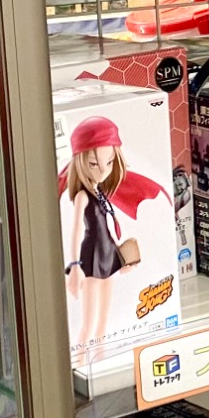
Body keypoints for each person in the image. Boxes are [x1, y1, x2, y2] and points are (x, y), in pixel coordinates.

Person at [61, 116, 168, 354]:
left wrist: (121, 260)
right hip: (91, 256)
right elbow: (76, 231)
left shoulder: (100, 192)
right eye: (93, 164)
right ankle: (81, 361)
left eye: (109, 162)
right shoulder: (82, 196)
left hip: (107, 252)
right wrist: (75, 266)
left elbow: (107, 228)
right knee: (88, 323)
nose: (103, 170)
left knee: (102, 321)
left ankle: (100, 358)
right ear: (80, 162)